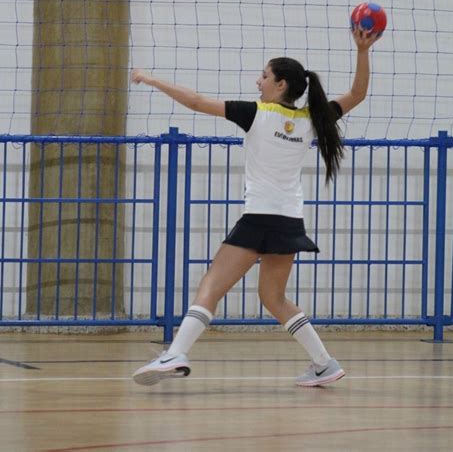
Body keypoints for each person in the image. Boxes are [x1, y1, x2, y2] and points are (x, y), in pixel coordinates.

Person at [131, 27, 381, 387]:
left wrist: (152, 79)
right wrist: (362, 50)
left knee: (211, 287)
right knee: (274, 298)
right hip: (289, 222)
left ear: (280, 85)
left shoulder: (255, 113)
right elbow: (359, 93)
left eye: (264, 75)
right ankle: (324, 364)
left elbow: (197, 102)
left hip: (259, 217)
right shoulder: (313, 119)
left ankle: (176, 353)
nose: (258, 80)